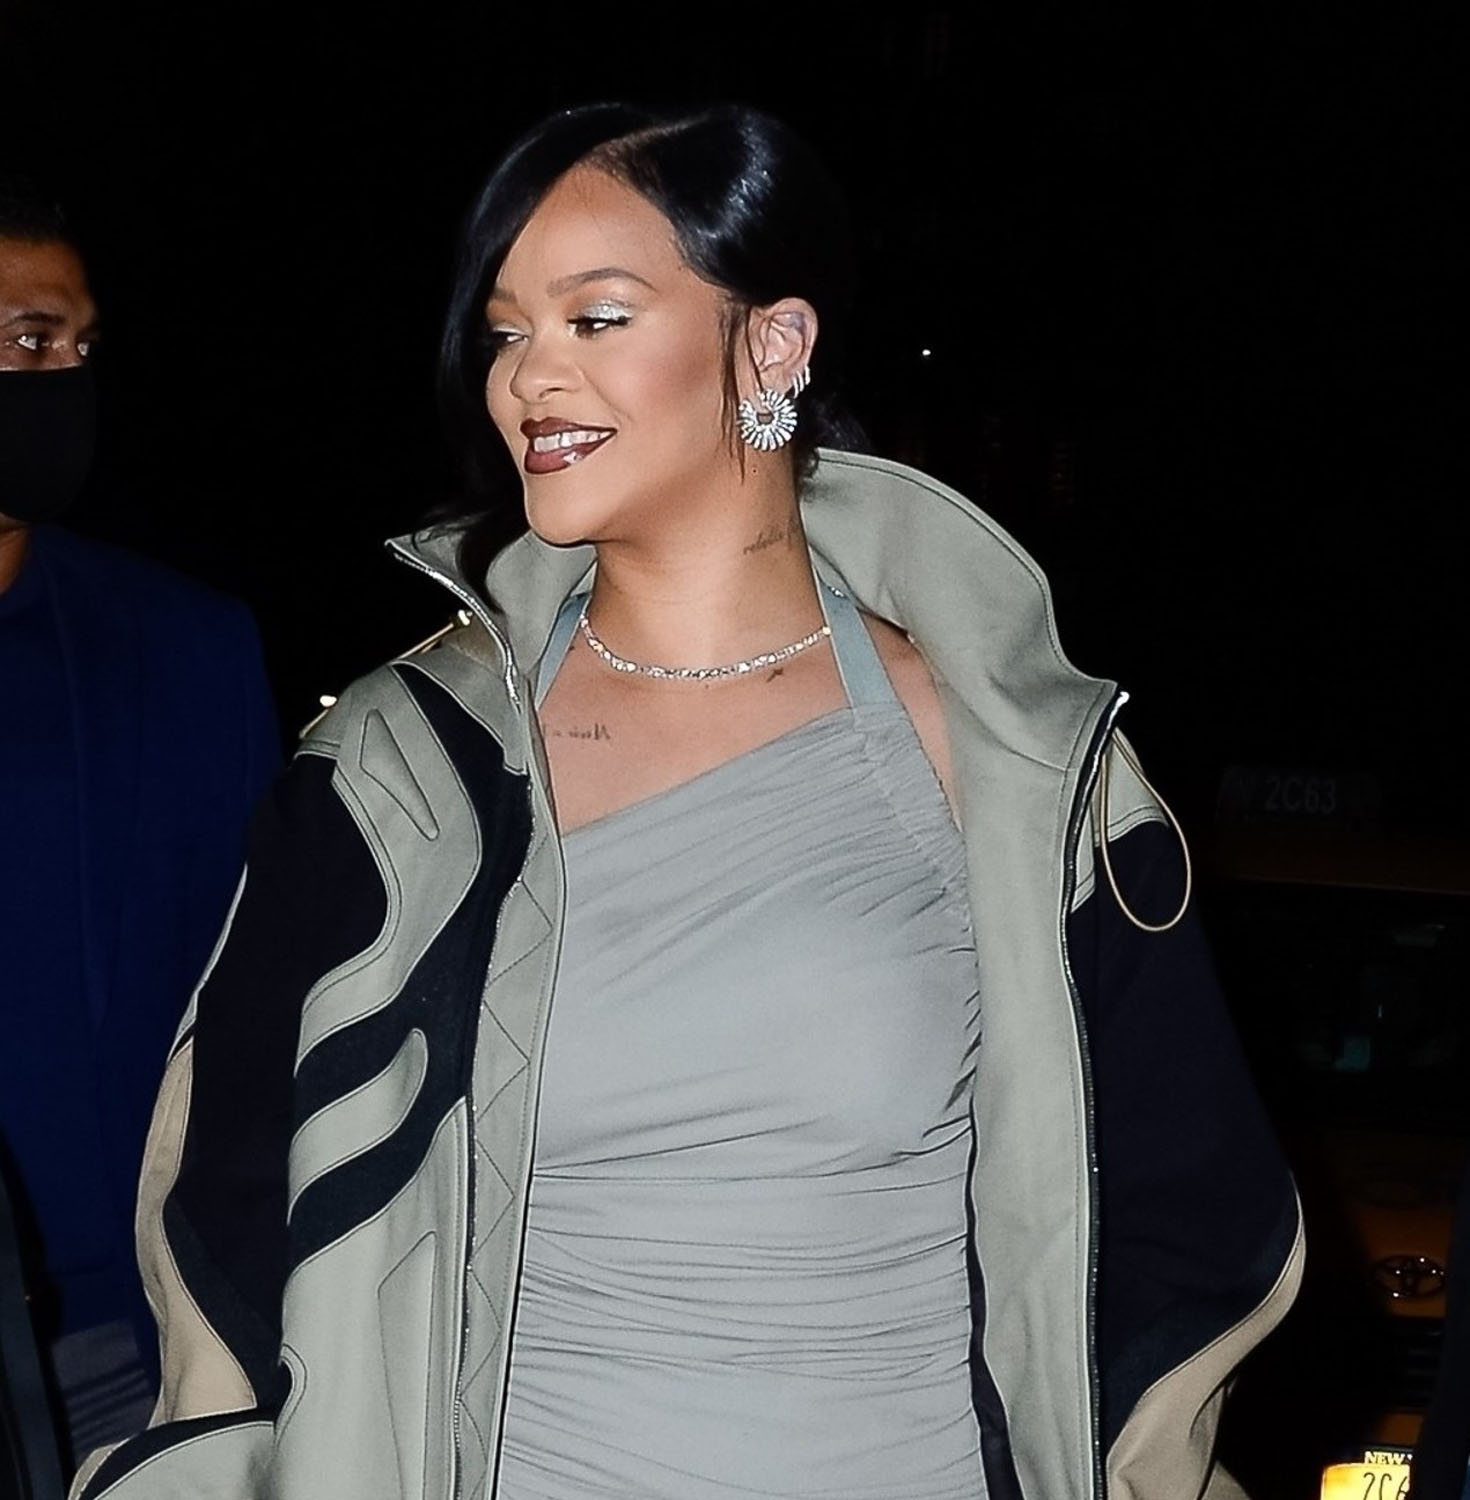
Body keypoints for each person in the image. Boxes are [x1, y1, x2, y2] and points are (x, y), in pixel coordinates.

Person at [71, 105, 1301, 1500]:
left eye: (596, 318)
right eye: (506, 331)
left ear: (771, 345)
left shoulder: (1007, 752)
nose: (529, 375)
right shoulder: (400, 771)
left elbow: (1175, 1224)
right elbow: (225, 1233)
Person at [0, 177, 280, 1470]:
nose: (62, 379)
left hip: (122, 1344)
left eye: (77, 345)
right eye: (28, 339)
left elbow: (260, 999)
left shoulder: (185, 651)